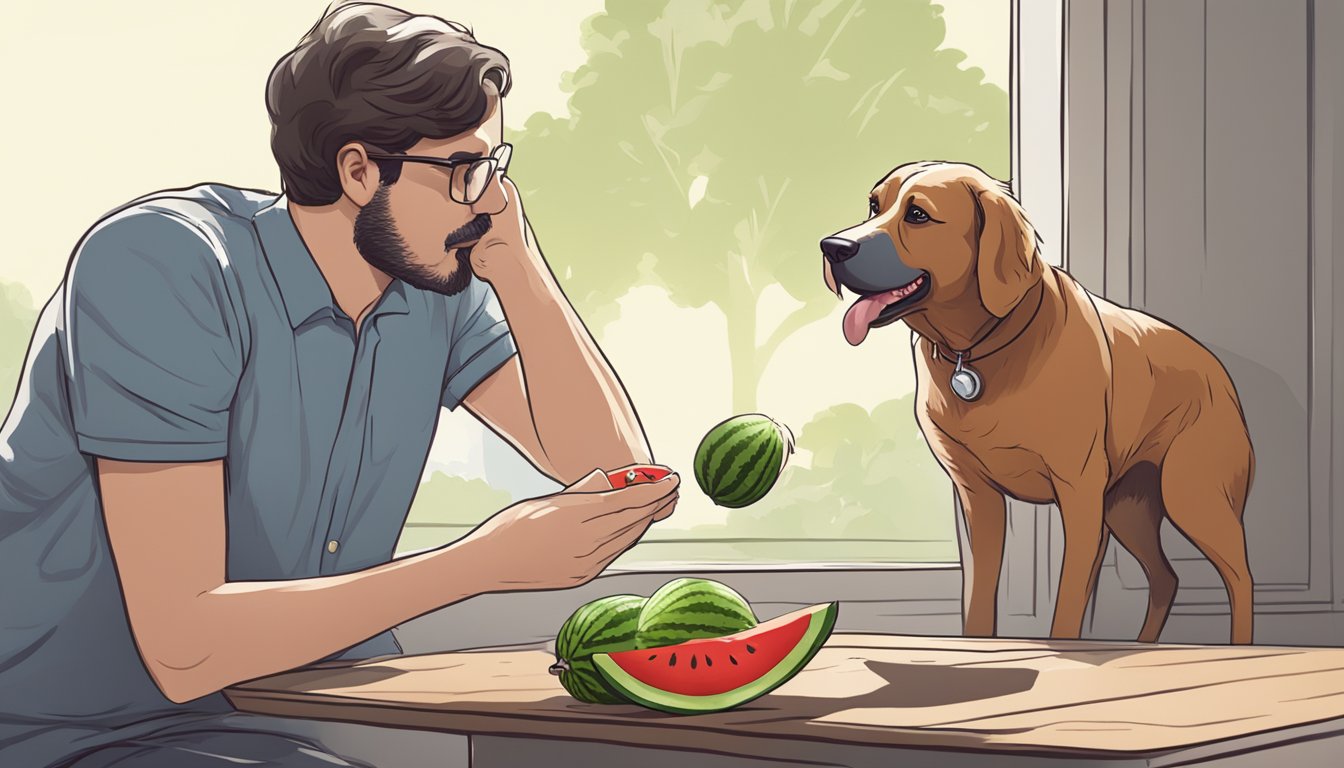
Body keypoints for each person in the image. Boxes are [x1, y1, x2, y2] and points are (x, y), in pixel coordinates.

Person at [0, 3, 680, 765]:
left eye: (494, 165)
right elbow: (183, 647)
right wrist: (484, 562)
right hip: (73, 727)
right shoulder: (164, 267)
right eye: (463, 169)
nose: (489, 198)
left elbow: (612, 476)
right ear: (359, 170)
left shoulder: (431, 287)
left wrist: (520, 271)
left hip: (299, 711)